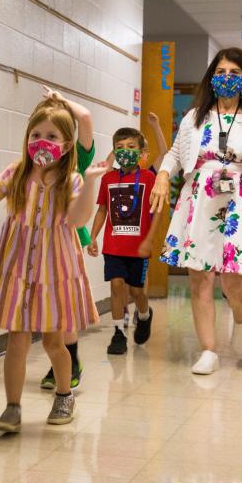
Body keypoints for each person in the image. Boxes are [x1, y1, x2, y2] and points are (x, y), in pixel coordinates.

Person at [0, 96, 106, 432]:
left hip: (54, 270)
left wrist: (91, 182)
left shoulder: (71, 180)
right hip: (17, 267)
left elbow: (78, 217)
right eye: (35, 135)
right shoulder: (17, 173)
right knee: (16, 339)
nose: (41, 142)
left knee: (52, 341)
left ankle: (64, 394)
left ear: (65, 144)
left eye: (50, 136)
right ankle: (12, 407)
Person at [151, 48, 242, 375]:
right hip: (200, 197)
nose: (226, 78)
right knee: (200, 277)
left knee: (235, 280)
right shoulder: (195, 117)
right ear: (212, 77)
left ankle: (240, 321)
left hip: (240, 200)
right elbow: (174, 156)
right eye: (220, 72)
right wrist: (164, 175)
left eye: (234, 73)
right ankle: (208, 349)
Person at [87, 127, 163, 354]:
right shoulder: (109, 178)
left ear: (141, 152)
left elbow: (157, 212)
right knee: (117, 286)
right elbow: (102, 210)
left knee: (137, 292)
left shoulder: (149, 178)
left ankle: (144, 315)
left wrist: (149, 240)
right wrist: (93, 237)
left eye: (131, 147)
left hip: (138, 248)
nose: (125, 151)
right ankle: (118, 333)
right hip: (114, 245)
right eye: (119, 147)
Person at [37, 89, 94, 391]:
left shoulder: (77, 158)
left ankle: (70, 361)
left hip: (68, 236)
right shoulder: (34, 159)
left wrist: (61, 100)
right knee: (49, 306)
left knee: (64, 306)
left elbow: (84, 116)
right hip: (39, 239)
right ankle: (60, 359)